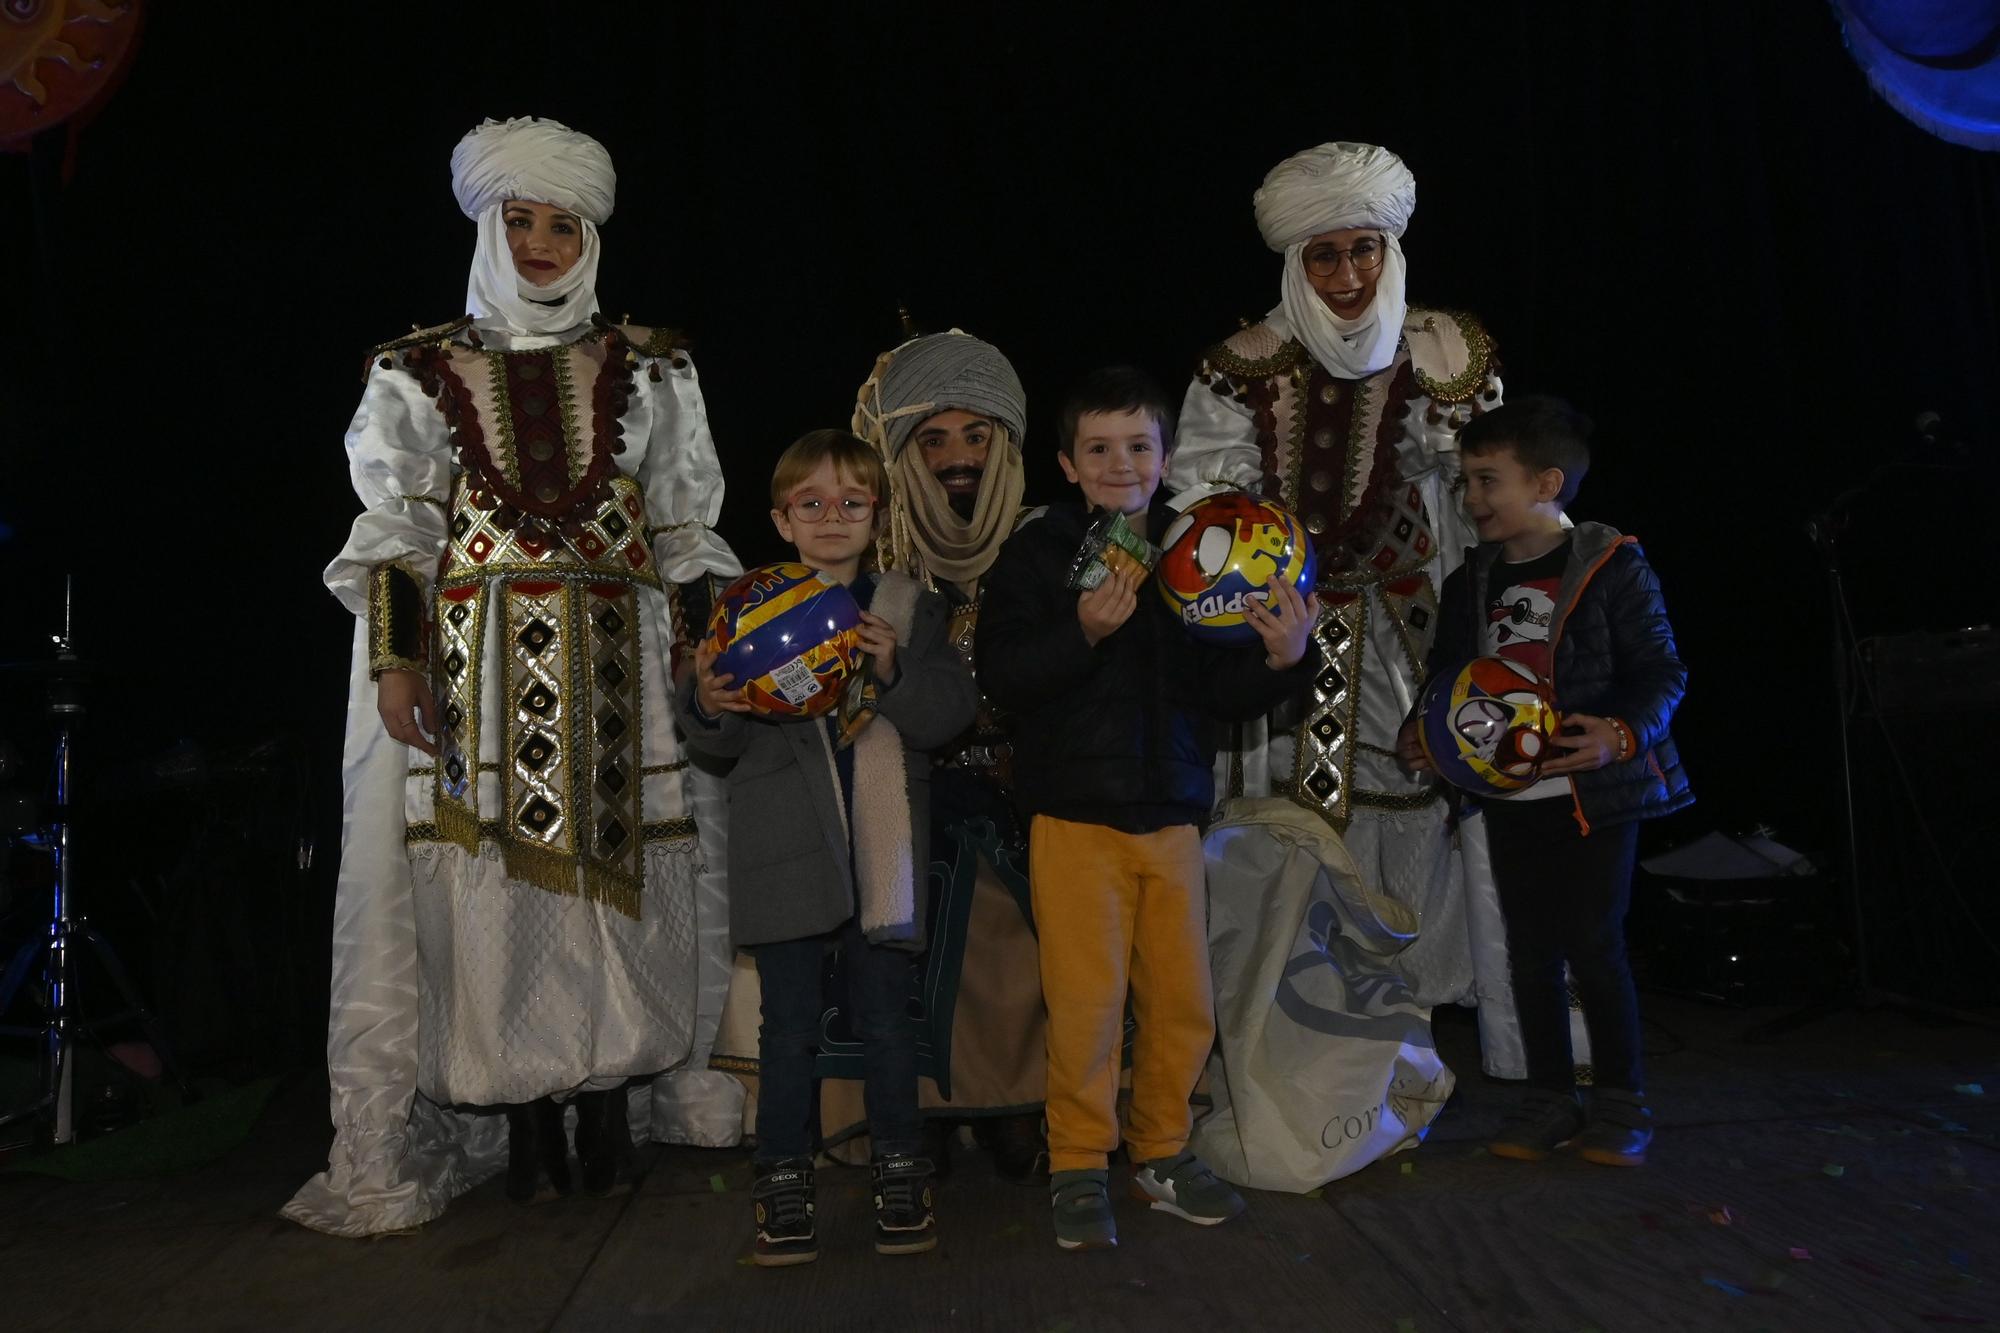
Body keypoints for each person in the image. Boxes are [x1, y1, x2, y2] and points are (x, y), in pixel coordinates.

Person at [286, 116, 741, 1237]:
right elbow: (394, 526)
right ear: (489, 226)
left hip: (623, 665)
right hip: (482, 668)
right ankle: (527, 1120)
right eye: (520, 221)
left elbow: (686, 522)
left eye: (562, 224)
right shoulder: (417, 367)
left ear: (589, 237)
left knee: (617, 880)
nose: (541, 242)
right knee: (498, 889)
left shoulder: (652, 365)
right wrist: (397, 660)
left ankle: (605, 1112)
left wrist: (700, 640)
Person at [1166, 139, 1527, 1061]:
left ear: (1389, 250)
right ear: (1295, 263)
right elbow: (1206, 501)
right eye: (1323, 255)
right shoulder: (1241, 362)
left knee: (1425, 799)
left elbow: (1490, 484)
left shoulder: (1447, 347)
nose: (1346, 273)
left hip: (1417, 622)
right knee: (1303, 807)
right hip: (1291, 635)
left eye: (1362, 249)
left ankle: (1420, 1009)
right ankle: (1304, 1014)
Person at [977, 367, 1319, 1250]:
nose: (1120, 463)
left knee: (1181, 1003)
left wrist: (1283, 659)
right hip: (1074, 818)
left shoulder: (1196, 546)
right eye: (1099, 448)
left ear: (1166, 456)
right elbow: (1003, 677)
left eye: (1138, 445)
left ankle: (1163, 1147)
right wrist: (1082, 631)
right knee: (1087, 1005)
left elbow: (1220, 688)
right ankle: (1079, 1162)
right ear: (1067, 462)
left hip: (1171, 812)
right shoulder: (1038, 553)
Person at [680, 430, 977, 1265]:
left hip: (881, 849)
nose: (832, 517)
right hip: (787, 851)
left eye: (852, 502)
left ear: (875, 513)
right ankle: (781, 1178)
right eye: (811, 504)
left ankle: (898, 1172)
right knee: (789, 1030)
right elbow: (714, 743)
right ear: (781, 520)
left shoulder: (908, 609)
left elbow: (950, 715)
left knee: (889, 1021)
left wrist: (893, 674)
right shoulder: (743, 611)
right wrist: (711, 700)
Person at [1397, 396, 1691, 1166]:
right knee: (1528, 950)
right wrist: (1424, 735)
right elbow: (1447, 677)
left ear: (1547, 482)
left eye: (1488, 480)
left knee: (1594, 943)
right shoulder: (1473, 579)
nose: (1473, 500)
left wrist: (1622, 733)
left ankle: (1622, 1101)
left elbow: (1663, 671)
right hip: (1509, 796)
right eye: (1465, 483)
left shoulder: (1610, 563)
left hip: (1594, 795)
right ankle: (1549, 1098)